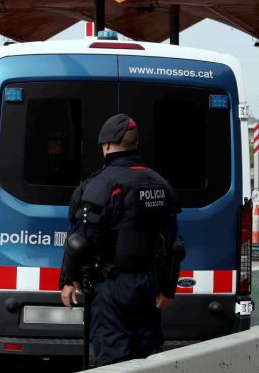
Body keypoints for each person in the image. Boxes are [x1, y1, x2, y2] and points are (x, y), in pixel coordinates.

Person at [59, 114, 182, 366]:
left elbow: (80, 241)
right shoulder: (160, 184)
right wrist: (167, 287)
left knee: (113, 360)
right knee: (148, 358)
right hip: (148, 285)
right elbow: (173, 244)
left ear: (106, 145)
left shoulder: (101, 185)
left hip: (111, 287)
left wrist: (69, 280)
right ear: (135, 144)